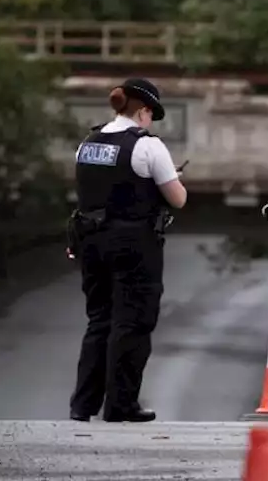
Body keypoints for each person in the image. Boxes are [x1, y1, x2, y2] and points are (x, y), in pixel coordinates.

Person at [67, 78, 186, 422]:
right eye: (152, 114)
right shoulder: (148, 146)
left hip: (90, 241)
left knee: (99, 320)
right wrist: (172, 179)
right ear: (144, 111)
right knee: (132, 322)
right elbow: (177, 198)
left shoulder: (87, 142)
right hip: (134, 244)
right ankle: (121, 405)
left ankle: (82, 405)